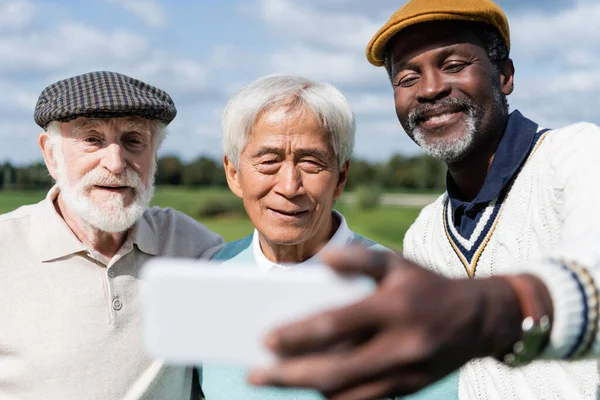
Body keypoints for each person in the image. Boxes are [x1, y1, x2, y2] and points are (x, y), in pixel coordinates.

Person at [245, 1, 600, 399]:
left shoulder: (578, 155)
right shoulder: (425, 235)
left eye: (453, 65)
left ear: (504, 75)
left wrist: (504, 305)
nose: (430, 89)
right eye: (408, 77)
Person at [0, 71, 223, 399]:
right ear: (51, 154)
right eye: (92, 139)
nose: (116, 163)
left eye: (134, 140)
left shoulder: (192, 246)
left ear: (154, 156)